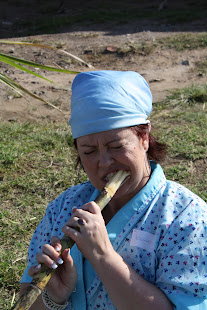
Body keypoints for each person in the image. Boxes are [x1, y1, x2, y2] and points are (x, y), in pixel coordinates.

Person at [20, 71, 207, 310]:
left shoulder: (187, 218)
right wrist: (54, 297)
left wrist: (103, 257)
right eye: (89, 151)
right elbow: (27, 299)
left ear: (144, 138)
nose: (105, 162)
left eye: (116, 146)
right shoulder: (63, 208)